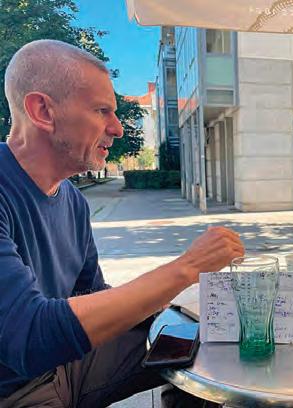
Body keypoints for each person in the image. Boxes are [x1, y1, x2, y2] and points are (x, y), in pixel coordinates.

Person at [0, 39, 244, 407]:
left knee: (201, 338)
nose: (117, 128)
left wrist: (177, 312)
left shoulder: (73, 201)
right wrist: (186, 269)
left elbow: (90, 295)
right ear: (43, 111)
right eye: (102, 111)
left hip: (70, 365)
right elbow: (28, 338)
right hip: (14, 388)